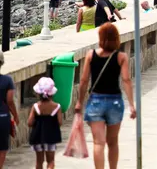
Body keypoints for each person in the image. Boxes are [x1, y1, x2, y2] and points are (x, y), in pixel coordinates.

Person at [75, 23, 136, 169]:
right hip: (115, 101)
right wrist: (132, 105)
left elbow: (84, 81)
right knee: (113, 142)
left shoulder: (91, 55)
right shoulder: (121, 57)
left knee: (98, 143)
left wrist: (79, 102)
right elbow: (126, 80)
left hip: (96, 101)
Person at [28, 77, 62, 169]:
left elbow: (30, 122)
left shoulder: (35, 106)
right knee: (51, 161)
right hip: (51, 136)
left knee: (39, 162)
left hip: (37, 137)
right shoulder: (57, 107)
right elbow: (60, 122)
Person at [0, 51, 18, 167]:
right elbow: (10, 101)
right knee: (2, 148)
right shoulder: (7, 80)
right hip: (2, 117)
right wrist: (15, 115)